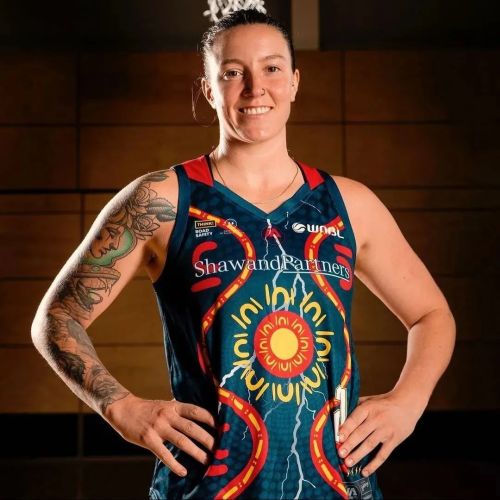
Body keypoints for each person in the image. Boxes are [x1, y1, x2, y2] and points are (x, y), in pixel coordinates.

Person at [31, 8, 456, 500]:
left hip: (335, 483)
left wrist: (408, 402)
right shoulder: (161, 201)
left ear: (294, 82)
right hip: (208, 485)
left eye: (272, 68)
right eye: (234, 73)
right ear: (209, 90)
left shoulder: (349, 204)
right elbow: (56, 319)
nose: (256, 89)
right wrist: (122, 408)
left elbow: (431, 314)